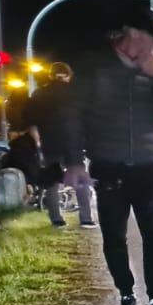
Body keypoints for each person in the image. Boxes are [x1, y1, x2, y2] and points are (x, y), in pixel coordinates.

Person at [70, 8, 153, 305]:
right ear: (132, 34)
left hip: (148, 165)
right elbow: (74, 114)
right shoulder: (95, 67)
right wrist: (73, 161)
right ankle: (126, 295)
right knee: (113, 237)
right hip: (108, 165)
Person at [25, 64, 97, 228]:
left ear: (50, 76)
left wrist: (38, 143)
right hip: (74, 143)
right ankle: (86, 219)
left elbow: (31, 123)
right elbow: (88, 120)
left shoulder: (39, 94)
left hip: (49, 143)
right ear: (68, 76)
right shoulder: (76, 94)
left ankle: (56, 219)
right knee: (80, 180)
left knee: (51, 182)